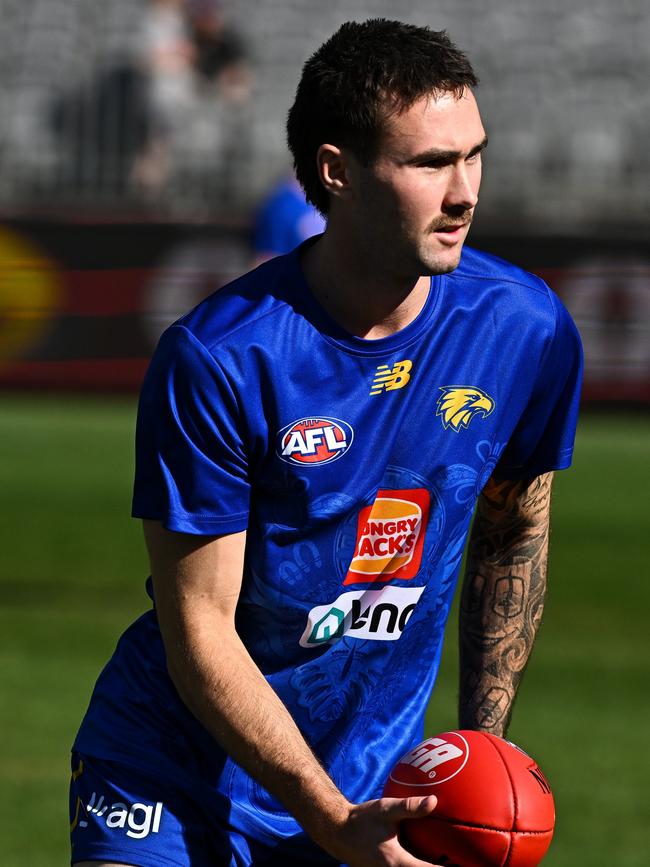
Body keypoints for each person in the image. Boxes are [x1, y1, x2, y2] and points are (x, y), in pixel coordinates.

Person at [70, 18, 583, 867]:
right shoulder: (220, 357)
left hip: (372, 790)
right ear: (338, 173)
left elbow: (513, 531)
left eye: (473, 154)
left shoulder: (524, 329)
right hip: (169, 772)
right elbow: (199, 628)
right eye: (429, 164)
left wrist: (476, 760)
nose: (465, 192)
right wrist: (328, 816)